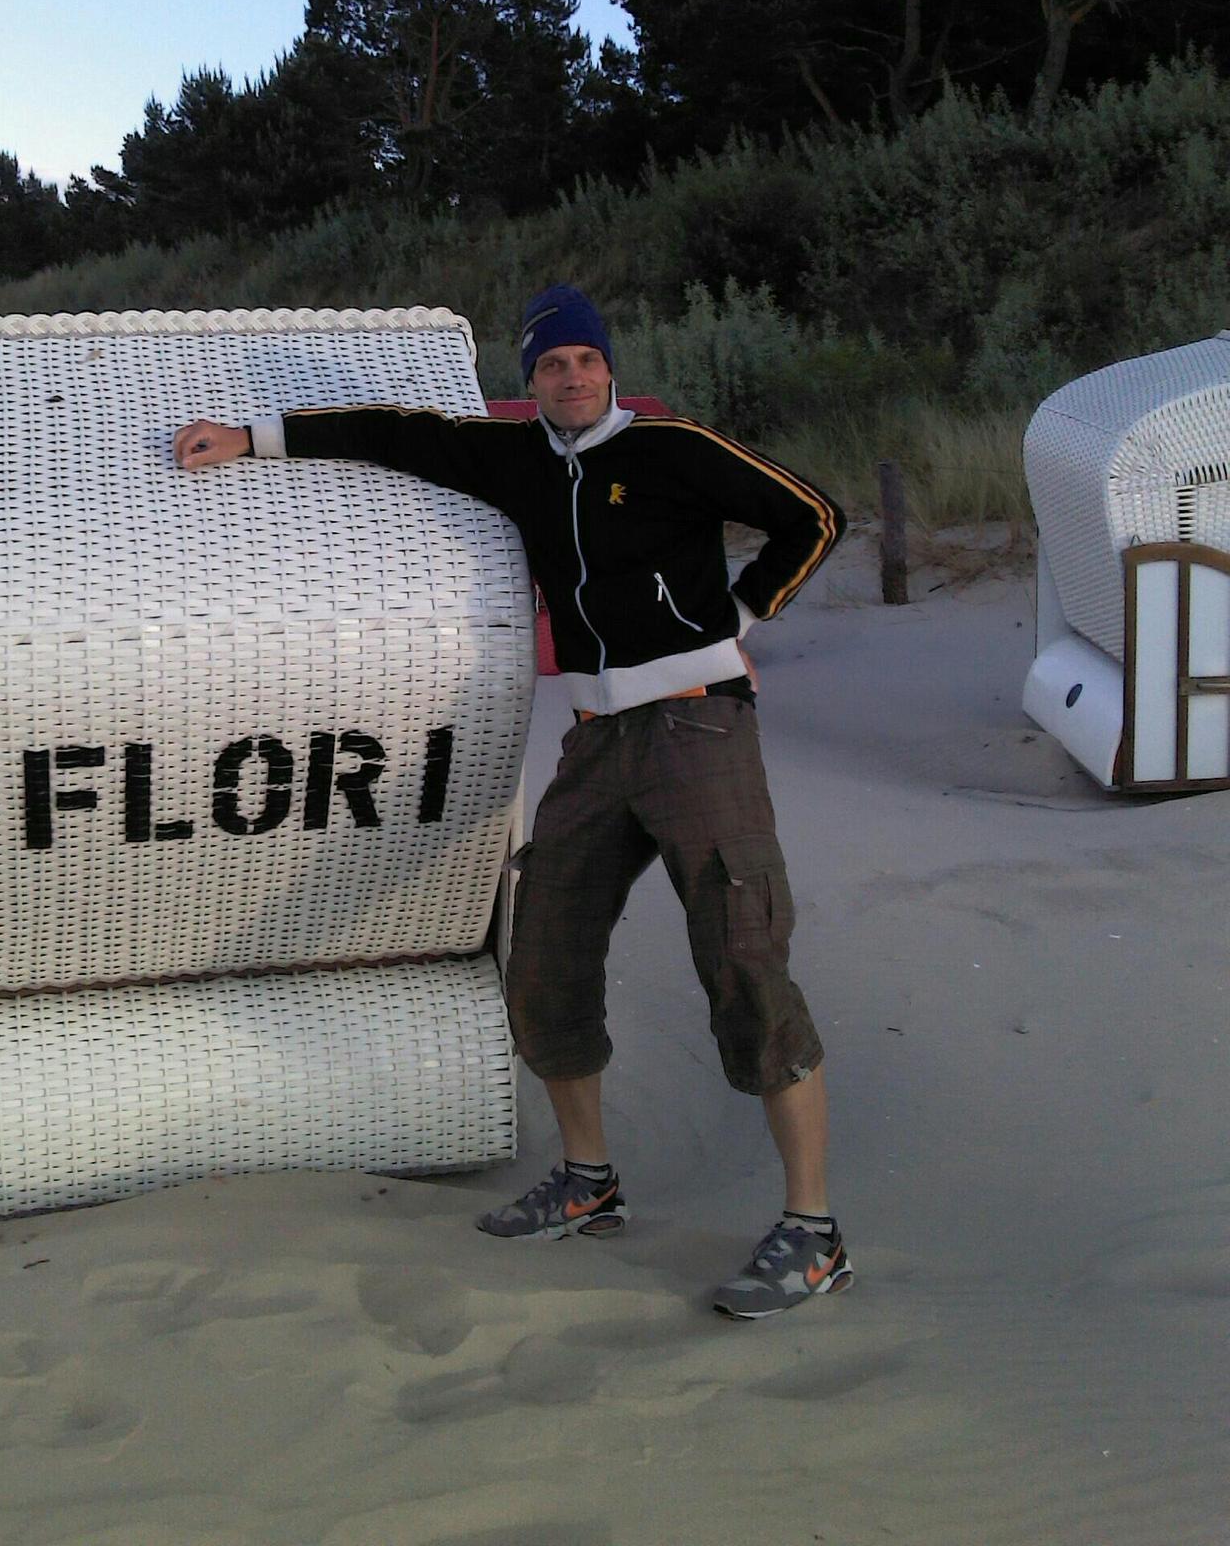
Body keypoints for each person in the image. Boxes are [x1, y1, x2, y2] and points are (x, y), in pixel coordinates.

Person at [173, 285, 850, 1318]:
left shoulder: (672, 449)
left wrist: (741, 612)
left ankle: (812, 1230)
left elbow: (814, 516)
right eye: (551, 364)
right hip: (595, 740)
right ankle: (589, 1180)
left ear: (609, 367)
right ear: (528, 379)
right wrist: (252, 439)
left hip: (699, 726)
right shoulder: (516, 459)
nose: (572, 377)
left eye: (586, 359)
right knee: (544, 950)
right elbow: (398, 436)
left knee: (744, 958)